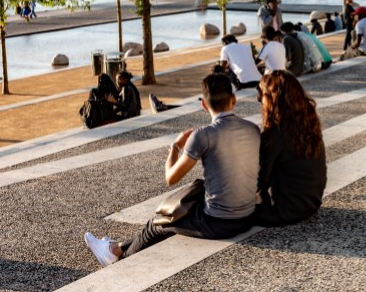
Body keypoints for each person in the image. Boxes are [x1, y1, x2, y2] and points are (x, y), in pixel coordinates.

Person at [83, 74, 260, 266]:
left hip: (219, 223)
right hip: (247, 215)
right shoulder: (252, 129)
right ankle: (114, 247)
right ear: (233, 100)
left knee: (157, 224)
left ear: (204, 105)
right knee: (177, 212)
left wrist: (175, 147)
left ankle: (116, 258)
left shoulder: (203, 135)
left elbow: (171, 177)